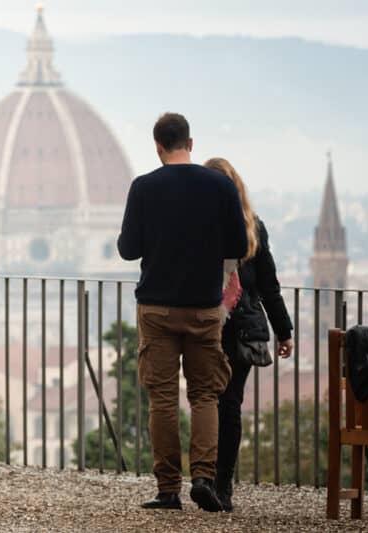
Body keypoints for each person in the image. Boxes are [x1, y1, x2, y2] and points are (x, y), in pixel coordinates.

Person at [117, 113, 248, 512]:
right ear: (191, 143)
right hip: (204, 309)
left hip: (156, 308)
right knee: (206, 394)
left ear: (158, 147)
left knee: (162, 399)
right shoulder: (221, 186)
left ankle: (169, 488)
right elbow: (239, 245)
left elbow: (128, 249)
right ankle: (205, 479)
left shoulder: (143, 187)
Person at [204, 157, 294, 512]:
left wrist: (284, 330)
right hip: (242, 328)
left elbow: (269, 285)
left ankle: (214, 482)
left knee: (213, 404)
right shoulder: (252, 227)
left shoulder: (202, 228)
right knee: (227, 405)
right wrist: (283, 330)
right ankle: (218, 483)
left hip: (215, 326)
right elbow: (269, 286)